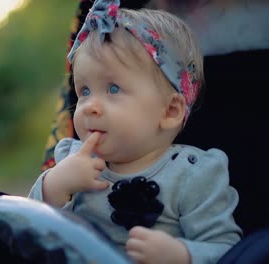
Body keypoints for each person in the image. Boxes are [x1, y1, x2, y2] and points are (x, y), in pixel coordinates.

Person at [28, 1, 242, 263]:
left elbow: (228, 249)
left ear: (169, 111)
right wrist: (55, 186)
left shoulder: (194, 174)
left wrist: (182, 254)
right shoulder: (72, 160)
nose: (90, 106)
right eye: (84, 91)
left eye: (113, 89)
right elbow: (30, 224)